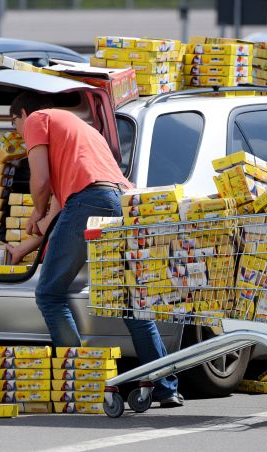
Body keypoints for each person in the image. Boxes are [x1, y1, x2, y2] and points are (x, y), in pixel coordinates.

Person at [10, 92, 183, 408]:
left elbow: (41, 181)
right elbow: (62, 209)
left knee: (49, 294)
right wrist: (26, 246)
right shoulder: (80, 130)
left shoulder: (38, 118)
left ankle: (80, 379)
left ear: (22, 114)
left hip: (89, 201)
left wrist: (36, 208)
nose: (19, 134)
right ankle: (165, 387)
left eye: (14, 126)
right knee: (131, 302)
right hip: (121, 202)